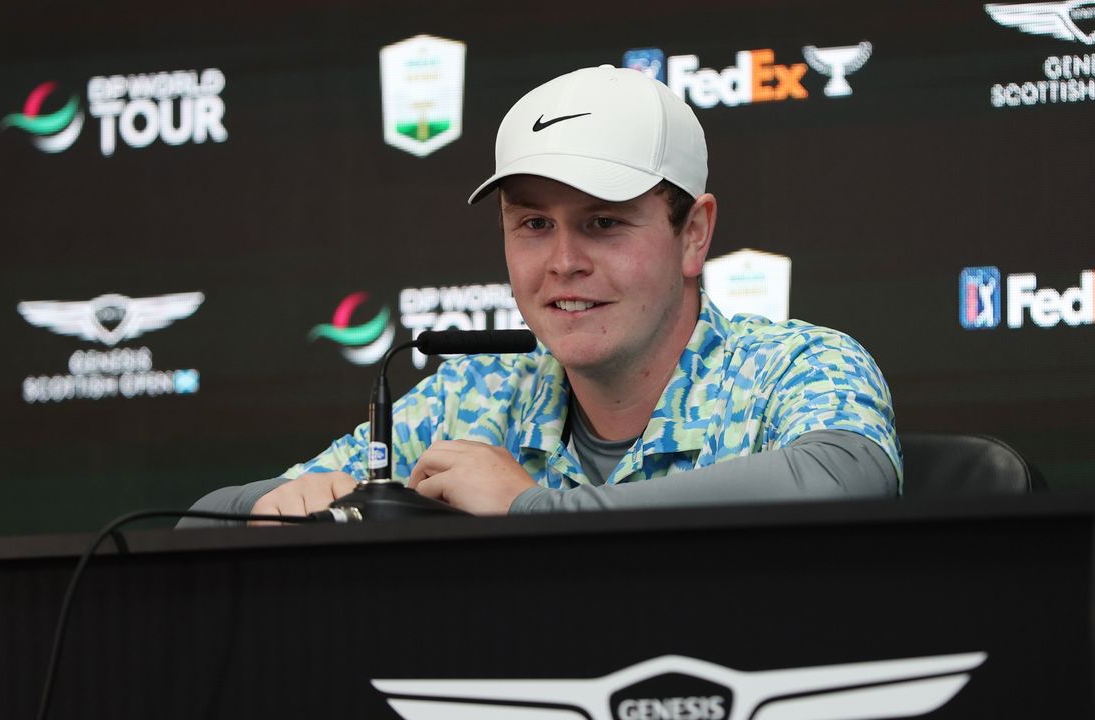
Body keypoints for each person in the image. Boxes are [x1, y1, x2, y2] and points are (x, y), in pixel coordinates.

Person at [181, 65, 900, 527]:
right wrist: (282, 506)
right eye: (533, 224)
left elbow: (844, 479)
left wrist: (536, 508)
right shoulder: (474, 395)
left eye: (604, 223)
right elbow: (202, 518)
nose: (562, 262)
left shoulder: (792, 364)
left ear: (694, 235)